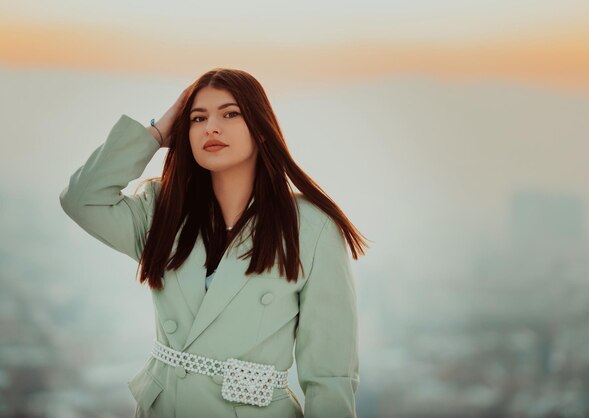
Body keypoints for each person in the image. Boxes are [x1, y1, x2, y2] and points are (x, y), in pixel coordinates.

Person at [59, 67, 370, 418]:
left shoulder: (311, 228)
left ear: (262, 129)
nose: (211, 127)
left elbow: (330, 376)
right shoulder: (162, 209)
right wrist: (157, 131)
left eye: (231, 114)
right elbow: (81, 199)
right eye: (197, 117)